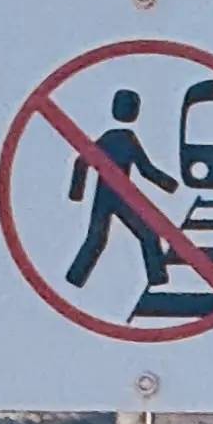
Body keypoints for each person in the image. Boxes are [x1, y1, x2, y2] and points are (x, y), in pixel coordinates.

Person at [66, 86, 183, 295]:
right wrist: (169, 184)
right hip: (120, 196)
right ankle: (157, 278)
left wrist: (78, 192)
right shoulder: (125, 139)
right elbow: (146, 169)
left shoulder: (110, 138)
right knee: (146, 235)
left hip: (105, 195)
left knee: (98, 238)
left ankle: (75, 278)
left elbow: (81, 162)